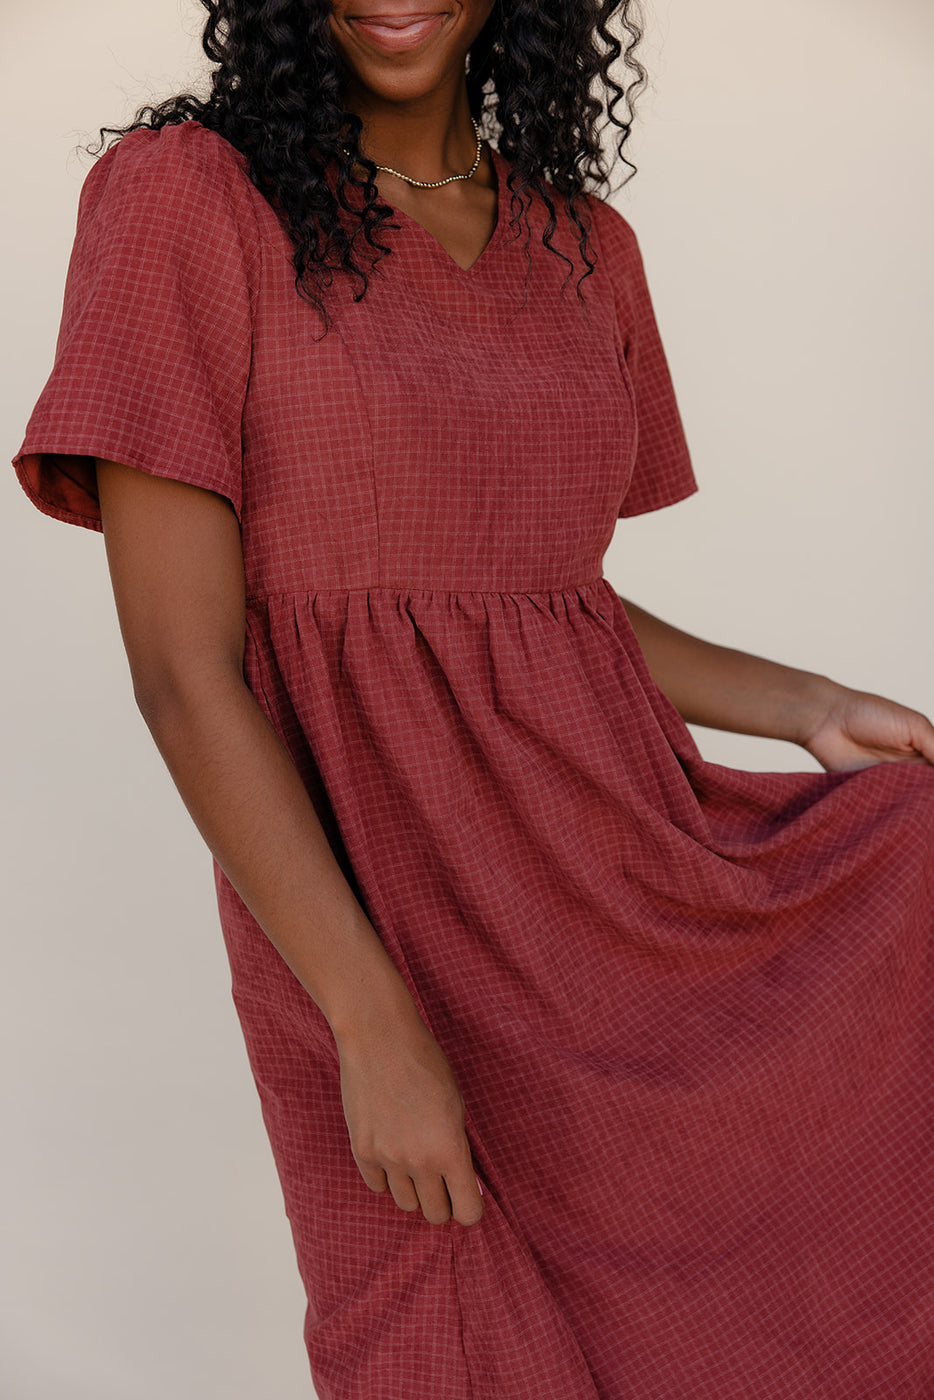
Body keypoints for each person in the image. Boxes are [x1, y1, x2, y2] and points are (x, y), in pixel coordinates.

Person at [12, 1, 934, 1396]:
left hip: (627, 897)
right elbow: (183, 674)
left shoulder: (581, 247)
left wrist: (802, 704)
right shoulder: (189, 199)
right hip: (381, 928)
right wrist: (370, 1028)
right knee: (437, 1346)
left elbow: (532, 599)